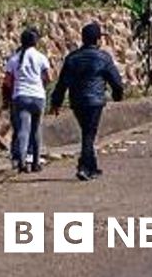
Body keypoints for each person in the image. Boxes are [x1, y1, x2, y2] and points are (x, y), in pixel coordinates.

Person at [50, 22, 124, 181]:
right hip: (95, 102)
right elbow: (116, 81)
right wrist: (118, 95)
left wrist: (56, 102)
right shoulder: (103, 58)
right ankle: (84, 167)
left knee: (87, 132)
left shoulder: (72, 58)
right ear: (98, 40)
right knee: (89, 134)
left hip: (77, 102)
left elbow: (62, 83)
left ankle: (92, 167)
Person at [2, 27, 51, 173]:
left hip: (21, 97)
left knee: (23, 130)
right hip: (38, 97)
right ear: (36, 42)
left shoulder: (14, 59)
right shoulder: (41, 57)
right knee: (36, 130)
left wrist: (7, 98)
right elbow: (48, 77)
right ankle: (36, 162)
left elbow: (7, 82)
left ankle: (22, 162)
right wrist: (41, 86)